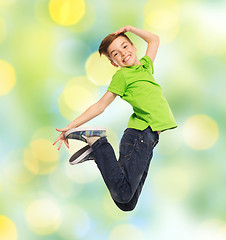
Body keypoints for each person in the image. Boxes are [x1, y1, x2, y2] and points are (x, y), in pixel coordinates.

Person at [53, 25, 177, 211]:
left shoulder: (145, 67)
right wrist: (71, 126)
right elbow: (100, 106)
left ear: (133, 46)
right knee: (123, 194)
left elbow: (154, 40)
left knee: (127, 203)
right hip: (139, 137)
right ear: (114, 63)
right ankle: (98, 143)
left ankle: (99, 153)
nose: (123, 53)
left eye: (125, 47)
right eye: (116, 54)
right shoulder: (123, 76)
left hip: (150, 140)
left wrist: (130, 28)